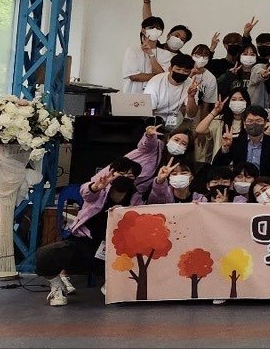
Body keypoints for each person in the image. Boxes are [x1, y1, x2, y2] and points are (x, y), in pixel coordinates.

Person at [37, 157, 143, 307]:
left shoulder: (137, 198)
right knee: (46, 254)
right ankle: (57, 287)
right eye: (121, 173)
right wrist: (95, 187)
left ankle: (114, 284)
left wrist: (126, 212)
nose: (125, 177)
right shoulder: (99, 191)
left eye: (130, 175)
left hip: (117, 250)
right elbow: (86, 192)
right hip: (85, 244)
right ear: (112, 173)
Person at [211, 106, 270, 183]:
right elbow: (217, 167)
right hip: (239, 183)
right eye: (250, 121)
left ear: (265, 123)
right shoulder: (236, 142)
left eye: (258, 121)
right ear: (244, 123)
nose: (254, 124)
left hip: (264, 185)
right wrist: (225, 148)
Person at [144, 53, 196, 129]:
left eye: (186, 71)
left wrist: (191, 97)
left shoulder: (191, 85)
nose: (181, 73)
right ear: (170, 69)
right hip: (154, 120)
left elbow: (192, 114)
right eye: (178, 69)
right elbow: (149, 111)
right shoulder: (155, 82)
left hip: (175, 122)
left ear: (190, 72)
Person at [122, 16, 169, 93]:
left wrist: (151, 54)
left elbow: (164, 78)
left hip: (155, 95)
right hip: (133, 94)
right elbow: (134, 77)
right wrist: (157, 76)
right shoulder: (132, 50)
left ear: (162, 32)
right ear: (143, 31)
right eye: (151, 27)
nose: (155, 30)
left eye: (158, 28)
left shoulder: (166, 54)